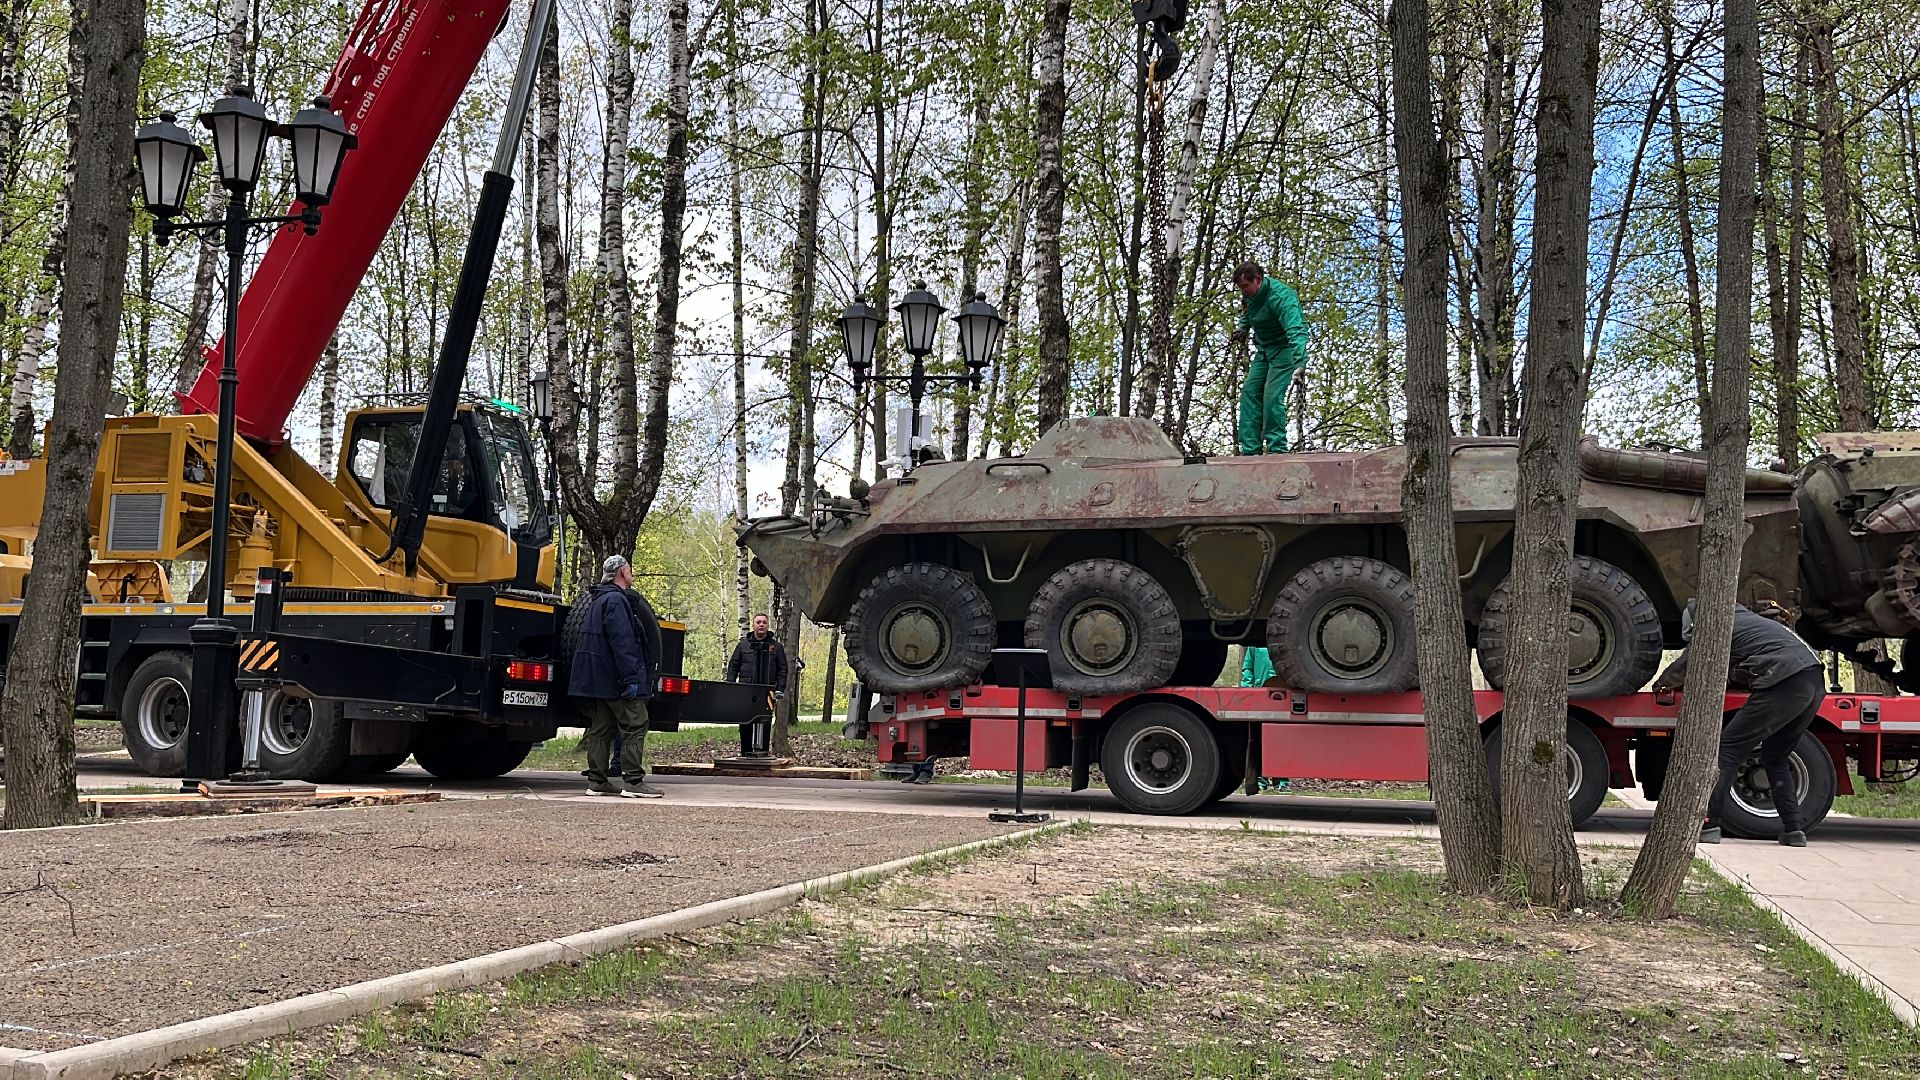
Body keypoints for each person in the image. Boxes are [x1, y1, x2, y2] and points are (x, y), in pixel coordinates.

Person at [1651, 598, 1824, 847]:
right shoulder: (1750, 621)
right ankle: (1794, 831)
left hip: (1785, 680)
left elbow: (1689, 663)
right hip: (1814, 681)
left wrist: (1663, 683)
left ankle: (1709, 824)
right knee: (1776, 756)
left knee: (1727, 751)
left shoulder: (1717, 624)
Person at [569, 555, 661, 798]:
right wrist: (630, 678)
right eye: (629, 569)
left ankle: (597, 781)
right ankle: (633, 782)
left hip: (599, 680)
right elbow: (622, 642)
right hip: (615, 679)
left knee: (602, 728)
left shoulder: (598, 599)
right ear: (621, 572)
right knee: (636, 723)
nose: (631, 573)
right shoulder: (616, 601)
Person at [1233, 261, 1309, 455]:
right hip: (1264, 351)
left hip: (1284, 351)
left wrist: (1300, 362)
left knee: (1271, 397)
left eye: (1245, 287)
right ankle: (1250, 451)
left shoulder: (1282, 298)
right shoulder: (1250, 296)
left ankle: (1277, 449)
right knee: (1249, 393)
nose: (1243, 292)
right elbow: (1248, 312)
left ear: (1257, 280)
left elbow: (1296, 329)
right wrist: (1242, 327)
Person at [725, 613, 789, 755]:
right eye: (758, 622)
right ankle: (746, 753)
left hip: (767, 691)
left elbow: (782, 669)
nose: (761, 625)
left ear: (767, 626)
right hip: (746, 690)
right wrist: (730, 685)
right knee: (745, 721)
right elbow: (734, 665)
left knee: (765, 721)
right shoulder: (743, 645)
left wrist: (780, 689)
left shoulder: (776, 647)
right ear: (753, 625)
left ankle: (763, 753)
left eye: (764, 622)